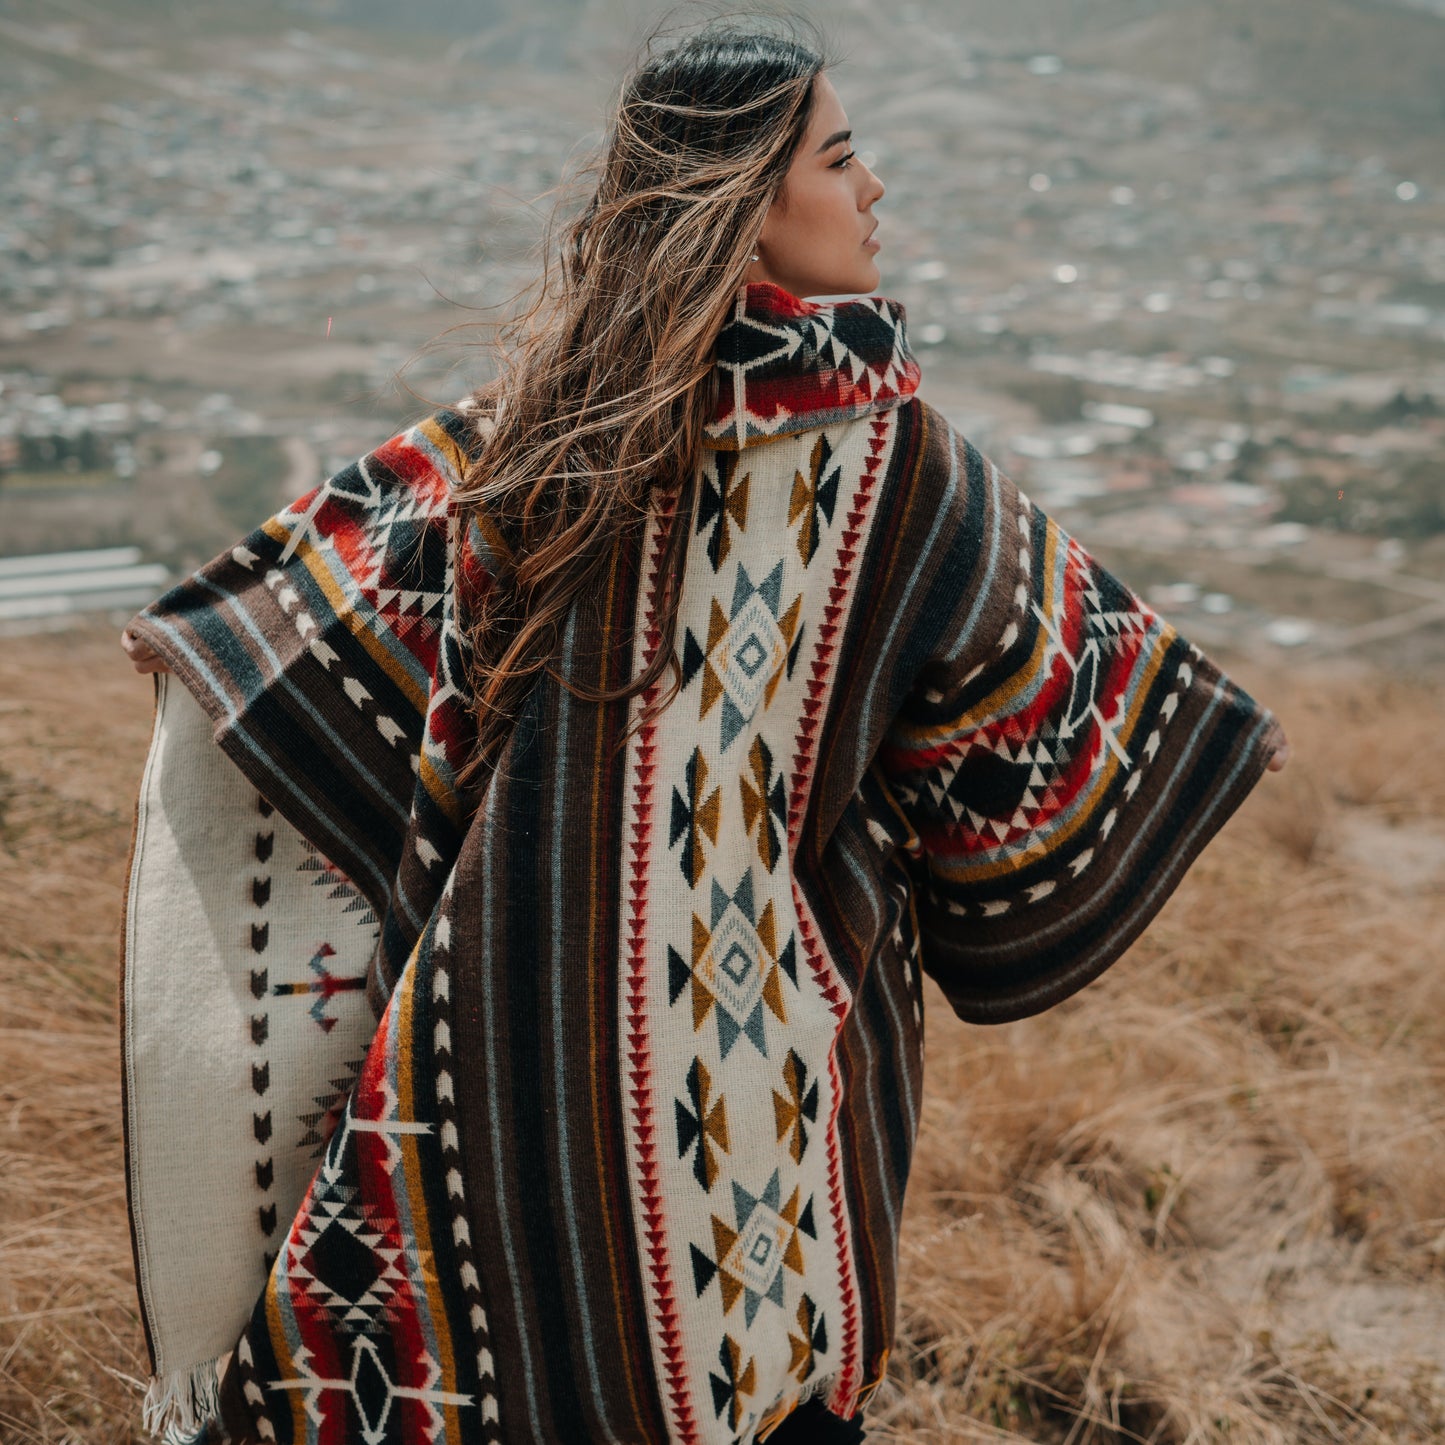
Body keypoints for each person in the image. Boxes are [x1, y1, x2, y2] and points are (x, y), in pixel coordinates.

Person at [118, 18, 1289, 1445]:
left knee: (502, 1375)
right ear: (742, 216)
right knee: (758, 1395)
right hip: (761, 1105)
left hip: (503, 1052)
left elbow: (310, 603)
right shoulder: (889, 461)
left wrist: (196, 648)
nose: (875, 191)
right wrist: (1199, 734)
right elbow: (1036, 712)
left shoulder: (529, 427)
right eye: (842, 160)